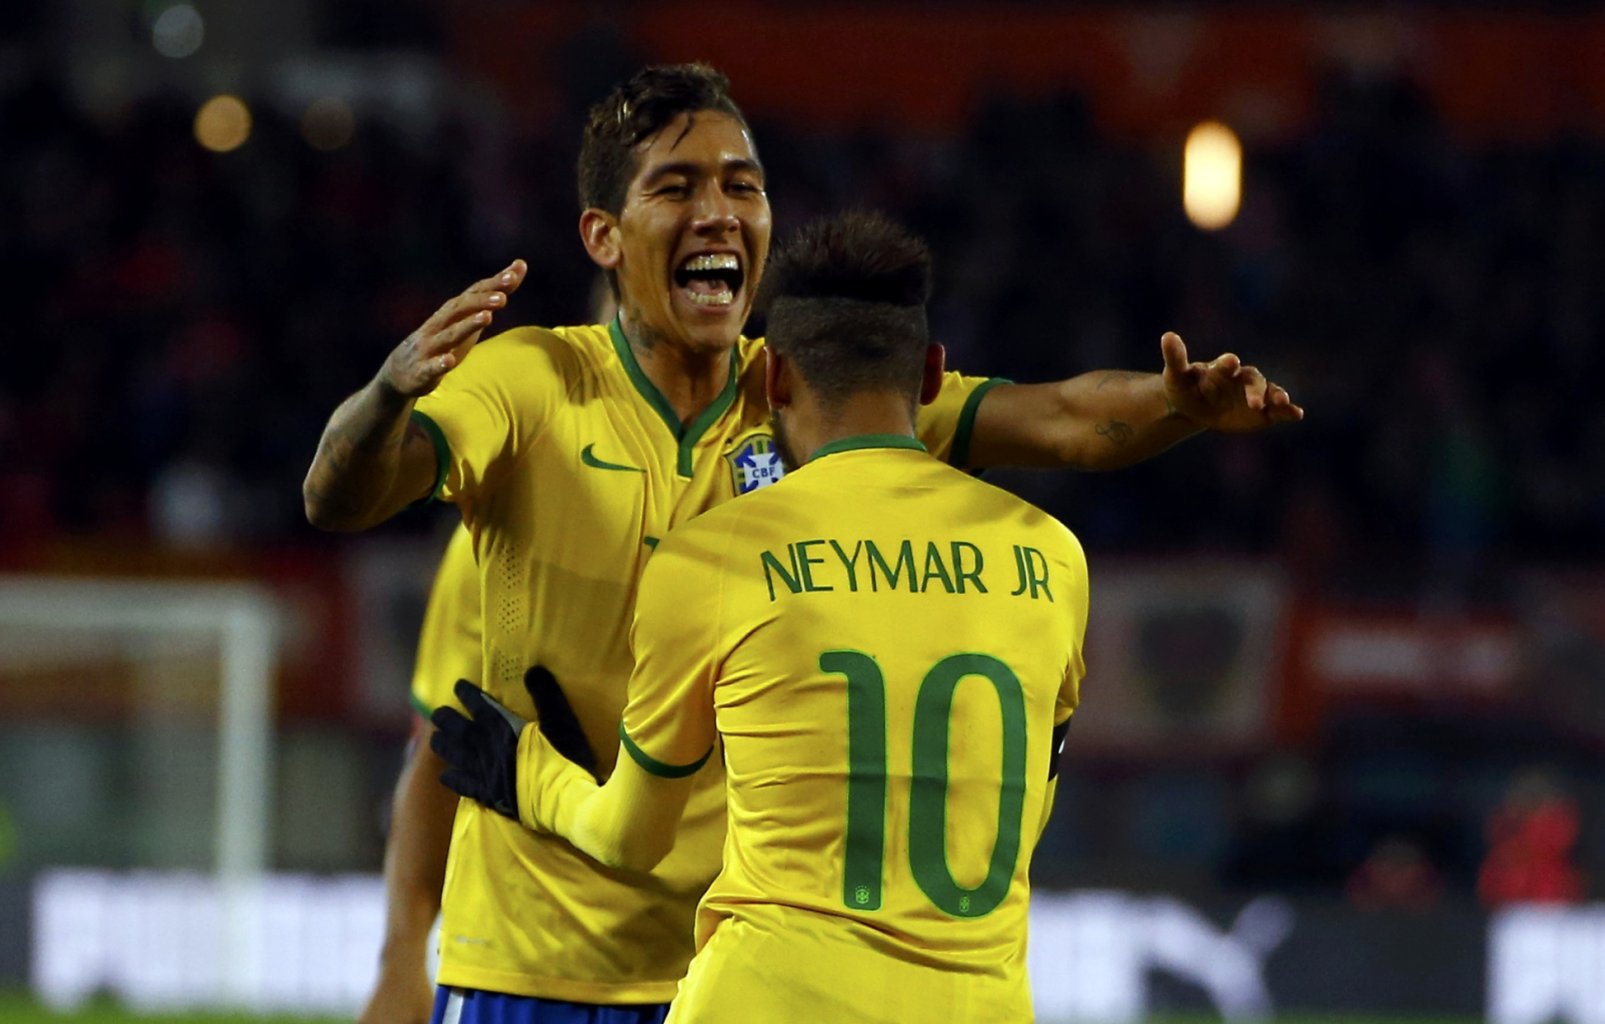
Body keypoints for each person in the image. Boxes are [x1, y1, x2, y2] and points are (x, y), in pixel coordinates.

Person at [303, 63, 1300, 1024]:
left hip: (740, 963)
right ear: (604, 235)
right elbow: (343, 496)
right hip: (542, 959)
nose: (719, 210)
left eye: (744, 184)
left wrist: (1179, 405)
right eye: (678, 186)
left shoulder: (811, 387)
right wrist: (387, 392)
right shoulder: (531, 386)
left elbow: (1069, 420)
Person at [436, 208, 1091, 1022]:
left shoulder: (716, 557)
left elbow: (629, 838)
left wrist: (523, 772)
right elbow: (1025, 805)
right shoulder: (1051, 557)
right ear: (929, 376)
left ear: (774, 378)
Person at [358, 523, 479, 1024]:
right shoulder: (494, 546)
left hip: (722, 938)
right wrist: (402, 957)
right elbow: (443, 747)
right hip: (528, 961)